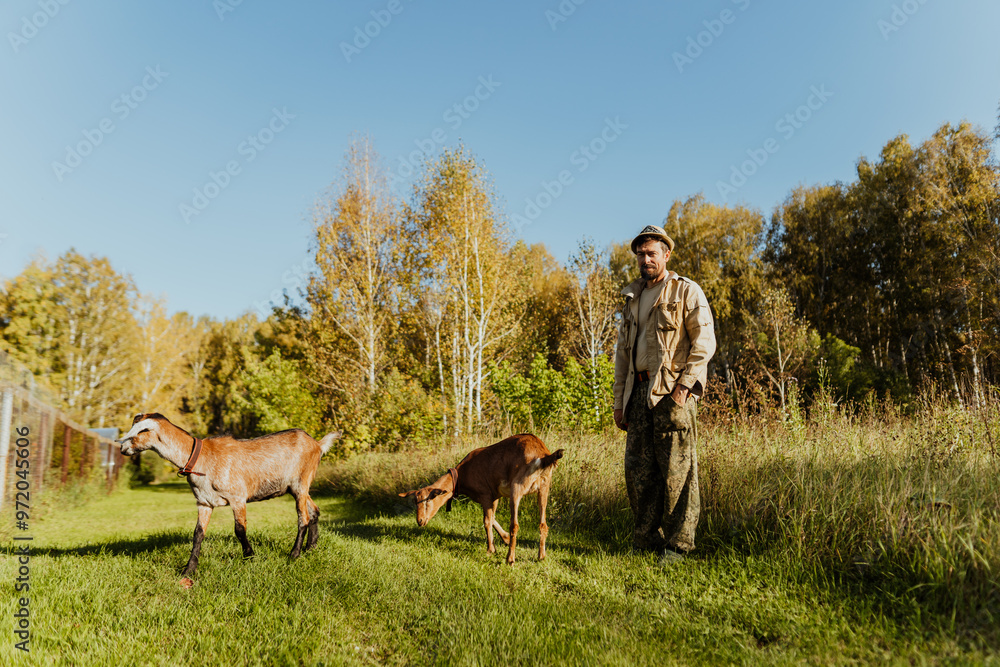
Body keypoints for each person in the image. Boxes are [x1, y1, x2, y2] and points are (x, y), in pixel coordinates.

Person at [612, 224, 716, 560]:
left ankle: (678, 546)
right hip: (638, 393)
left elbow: (704, 342)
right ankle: (645, 541)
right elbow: (623, 356)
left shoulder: (686, 291)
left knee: (678, 472)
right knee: (638, 472)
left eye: (651, 253)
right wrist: (619, 402)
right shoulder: (633, 298)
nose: (645, 259)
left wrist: (683, 390)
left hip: (672, 393)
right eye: (640, 254)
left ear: (666, 255)